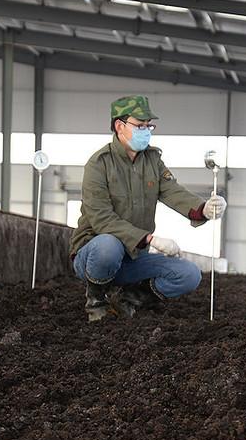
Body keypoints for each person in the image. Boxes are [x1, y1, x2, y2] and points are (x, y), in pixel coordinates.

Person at [69, 95, 227, 322]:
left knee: (188, 275)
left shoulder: (152, 160)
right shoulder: (99, 164)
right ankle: (96, 301)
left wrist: (204, 209)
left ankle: (129, 299)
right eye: (139, 125)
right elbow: (102, 219)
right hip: (93, 256)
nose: (146, 131)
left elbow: (173, 191)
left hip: (133, 256)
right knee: (108, 244)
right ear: (119, 126)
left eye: (149, 126)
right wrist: (151, 239)